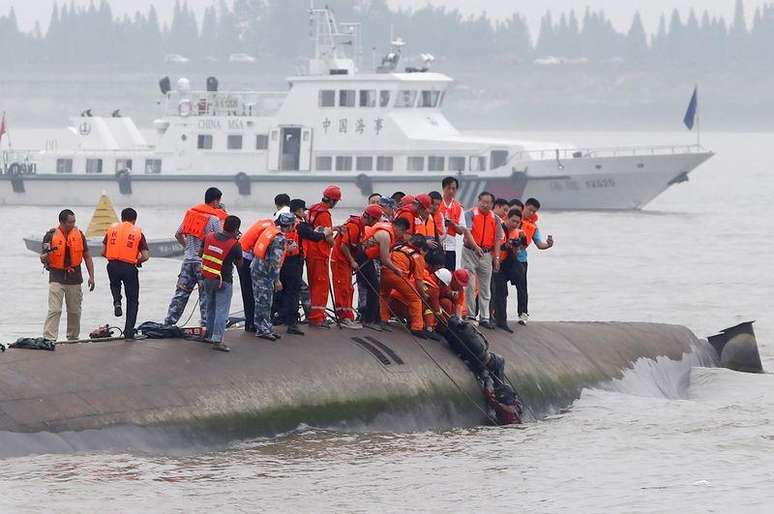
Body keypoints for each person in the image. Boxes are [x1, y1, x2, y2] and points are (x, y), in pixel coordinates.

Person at [164, 187, 227, 328]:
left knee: (180, 294)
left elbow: (178, 234)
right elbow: (219, 240)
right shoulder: (214, 219)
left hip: (187, 261)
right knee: (205, 295)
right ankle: (205, 325)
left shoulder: (191, 214)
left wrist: (187, 247)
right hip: (203, 263)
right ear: (216, 201)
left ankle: (168, 322)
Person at [41, 209, 96, 342]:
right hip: (56, 277)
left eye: (74, 222)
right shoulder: (50, 236)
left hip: (75, 278)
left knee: (74, 311)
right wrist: (46, 255)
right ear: (61, 222)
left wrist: (92, 277)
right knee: (55, 309)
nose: (73, 224)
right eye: (70, 222)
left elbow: (87, 257)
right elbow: (42, 258)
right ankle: (49, 338)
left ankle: (72, 337)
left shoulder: (80, 235)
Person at [278, 199, 330, 335]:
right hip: (294, 261)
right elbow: (313, 236)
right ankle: (292, 324)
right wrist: (326, 234)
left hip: (281, 260)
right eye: (304, 210)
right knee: (293, 292)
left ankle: (281, 318)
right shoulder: (299, 224)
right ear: (300, 210)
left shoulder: (283, 220)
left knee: (284, 291)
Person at [331, 204, 383, 329]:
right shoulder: (354, 226)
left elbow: (355, 245)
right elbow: (344, 246)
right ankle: (343, 317)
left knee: (349, 289)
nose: (376, 222)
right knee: (343, 288)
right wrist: (352, 261)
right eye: (376, 220)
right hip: (340, 261)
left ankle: (347, 316)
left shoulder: (360, 226)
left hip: (345, 261)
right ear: (370, 218)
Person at [102, 208, 150, 339]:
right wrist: (137, 260)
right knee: (133, 300)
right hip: (129, 267)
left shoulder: (112, 229)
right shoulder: (137, 232)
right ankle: (128, 331)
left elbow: (103, 252)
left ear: (121, 218)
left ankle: (117, 301)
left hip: (112, 265)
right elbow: (146, 256)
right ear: (134, 220)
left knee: (115, 285)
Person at [461, 192, 503, 329]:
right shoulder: (469, 214)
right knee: (470, 285)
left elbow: (497, 239)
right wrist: (475, 246)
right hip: (470, 252)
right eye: (482, 202)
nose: (485, 205)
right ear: (478, 201)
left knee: (485, 287)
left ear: (492, 204)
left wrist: (496, 258)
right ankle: (471, 315)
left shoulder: (496, 219)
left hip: (486, 255)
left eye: (488, 203)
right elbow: (467, 232)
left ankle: (485, 317)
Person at [201, 215, 243, 351]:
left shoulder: (209, 236)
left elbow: (200, 253)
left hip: (207, 278)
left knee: (210, 307)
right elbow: (240, 264)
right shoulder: (235, 244)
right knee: (221, 311)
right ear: (236, 229)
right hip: (223, 281)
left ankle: (209, 335)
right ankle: (217, 340)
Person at [252, 213, 297, 340]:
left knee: (261, 300)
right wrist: (276, 280)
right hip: (264, 273)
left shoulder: (272, 231)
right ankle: (263, 330)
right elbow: (275, 261)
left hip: (257, 268)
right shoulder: (279, 239)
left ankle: (264, 326)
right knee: (265, 301)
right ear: (290, 226)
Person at [380, 234, 431, 338]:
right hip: (398, 275)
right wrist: (424, 295)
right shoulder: (418, 257)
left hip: (384, 272)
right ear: (421, 249)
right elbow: (418, 281)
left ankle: (383, 318)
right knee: (416, 299)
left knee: (384, 295)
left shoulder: (397, 247)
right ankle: (417, 327)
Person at [304, 186, 341, 328]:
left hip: (310, 253)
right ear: (332, 200)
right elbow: (327, 236)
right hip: (320, 253)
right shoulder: (325, 214)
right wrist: (334, 242)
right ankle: (317, 317)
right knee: (321, 286)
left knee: (314, 284)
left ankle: (313, 314)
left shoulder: (313, 209)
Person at [514, 197, 554, 325]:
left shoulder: (533, 227)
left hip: (521, 260)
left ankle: (523, 314)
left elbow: (539, 244)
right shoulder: (513, 218)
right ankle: (493, 313)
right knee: (499, 287)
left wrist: (548, 245)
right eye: (529, 209)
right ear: (524, 206)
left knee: (522, 288)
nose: (531, 213)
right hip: (506, 257)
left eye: (534, 211)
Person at [492, 208, 527, 333]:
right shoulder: (499, 228)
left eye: (517, 222)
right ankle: (498, 320)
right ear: (507, 218)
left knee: (516, 283)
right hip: (496, 263)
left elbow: (516, 252)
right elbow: (493, 245)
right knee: (499, 292)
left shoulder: (517, 232)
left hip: (507, 264)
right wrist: (504, 246)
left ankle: (500, 319)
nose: (515, 224)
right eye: (513, 221)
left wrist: (516, 246)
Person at [236, 217, 274, 332]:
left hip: (241, 253)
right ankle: (253, 323)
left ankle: (251, 323)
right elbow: (262, 250)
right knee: (252, 292)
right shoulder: (271, 231)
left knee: (247, 291)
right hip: (246, 258)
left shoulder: (267, 223)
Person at [439, 176, 465, 271]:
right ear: (443, 188)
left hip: (450, 247)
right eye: (448, 188)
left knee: (450, 276)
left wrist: (452, 224)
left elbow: (461, 231)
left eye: (453, 188)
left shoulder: (459, 208)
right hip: (437, 245)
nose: (451, 191)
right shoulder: (437, 204)